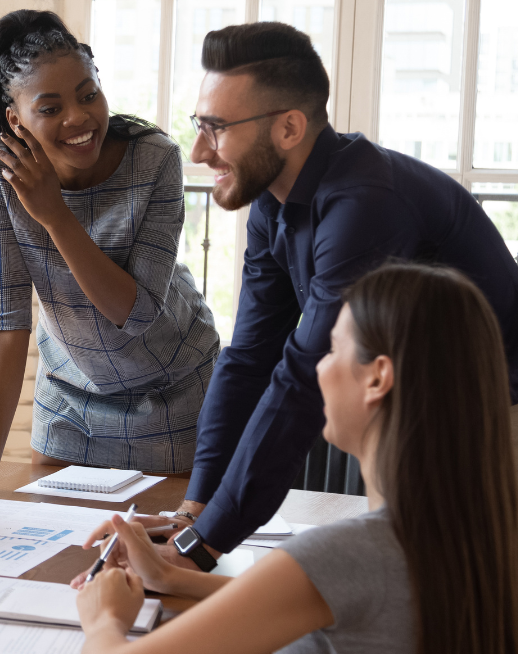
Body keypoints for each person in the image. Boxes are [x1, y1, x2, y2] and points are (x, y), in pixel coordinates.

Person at [148, 21, 518, 566]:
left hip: (493, 417)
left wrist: (200, 548)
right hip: (413, 410)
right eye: (198, 124)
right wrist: (194, 512)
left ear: (290, 128)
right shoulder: (273, 202)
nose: (199, 151)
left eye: (216, 127)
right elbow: (251, 357)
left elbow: (301, 377)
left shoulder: (364, 204)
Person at [76, 262, 518, 654]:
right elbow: (326, 597)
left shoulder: (347, 552)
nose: (319, 368)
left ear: (378, 377)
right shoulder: (474, 536)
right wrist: (174, 579)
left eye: (333, 349)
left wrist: (105, 620)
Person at [0, 10, 219, 499]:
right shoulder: (1, 180)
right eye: (49, 108)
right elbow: (5, 320)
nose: (78, 118)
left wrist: (55, 215)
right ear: (16, 119)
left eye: (88, 95)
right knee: (54, 558)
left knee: (159, 558)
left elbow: (134, 313)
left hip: (175, 396)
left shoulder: (155, 160)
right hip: (70, 403)